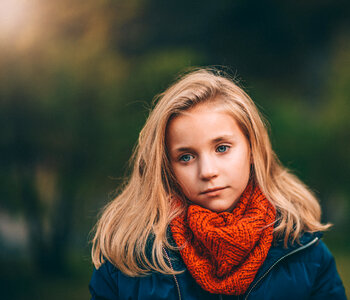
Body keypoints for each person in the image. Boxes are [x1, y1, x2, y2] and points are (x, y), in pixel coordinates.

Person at [89, 68, 347, 300]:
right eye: (186, 157)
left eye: (222, 148)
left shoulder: (306, 252)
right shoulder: (130, 261)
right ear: (166, 167)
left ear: (252, 149)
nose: (207, 171)